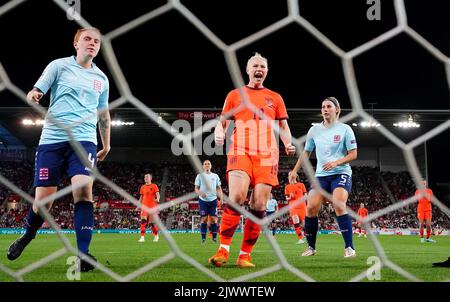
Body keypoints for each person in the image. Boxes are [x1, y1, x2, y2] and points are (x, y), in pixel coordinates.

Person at [7, 28, 110, 272]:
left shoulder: (102, 79)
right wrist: (34, 93)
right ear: (76, 43)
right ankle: (28, 235)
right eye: (87, 39)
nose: (93, 43)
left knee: (84, 190)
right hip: (52, 140)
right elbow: (38, 88)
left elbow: (103, 114)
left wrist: (107, 143)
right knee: (43, 202)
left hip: (84, 140)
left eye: (97, 41)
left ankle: (82, 254)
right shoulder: (59, 66)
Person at [209, 52, 296, 268]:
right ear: (248, 70)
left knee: (259, 205)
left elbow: (283, 127)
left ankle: (244, 255)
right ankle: (223, 250)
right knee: (237, 196)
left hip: (268, 154)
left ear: (266, 71)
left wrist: (288, 143)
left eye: (263, 66)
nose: (259, 69)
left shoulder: (275, 98)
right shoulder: (235, 95)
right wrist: (219, 132)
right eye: (255, 66)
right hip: (241, 149)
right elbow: (222, 122)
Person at [289, 97, 357, 258]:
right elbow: (306, 152)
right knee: (311, 207)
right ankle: (311, 247)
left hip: (341, 173)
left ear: (337, 109)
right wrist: (294, 170)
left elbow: (353, 154)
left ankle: (349, 247)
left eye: (328, 106)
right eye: (323, 107)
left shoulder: (345, 129)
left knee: (339, 204)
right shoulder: (314, 130)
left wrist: (336, 163)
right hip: (321, 175)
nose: (325, 109)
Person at [194, 160, 223, 243]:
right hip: (203, 200)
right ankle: (203, 239)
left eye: (208, 164)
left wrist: (221, 198)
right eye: (205, 164)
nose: (207, 165)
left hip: (213, 200)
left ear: (211, 166)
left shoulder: (215, 176)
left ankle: (214, 238)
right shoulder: (199, 176)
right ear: (203, 166)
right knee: (204, 219)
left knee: (214, 219)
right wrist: (200, 193)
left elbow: (218, 188)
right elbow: (196, 188)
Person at [285, 175, 307, 244]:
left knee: (305, 223)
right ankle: (300, 239)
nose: (290, 176)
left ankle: (306, 236)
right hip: (293, 206)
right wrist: (290, 197)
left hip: (302, 206)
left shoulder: (301, 184)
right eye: (289, 175)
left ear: (295, 176)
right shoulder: (287, 187)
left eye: (291, 174)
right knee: (296, 222)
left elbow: (306, 196)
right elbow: (287, 198)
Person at [138, 173, 160, 242]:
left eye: (147, 177)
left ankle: (156, 235)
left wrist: (158, 198)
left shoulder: (154, 186)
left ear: (151, 178)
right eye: (145, 177)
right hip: (144, 206)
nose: (146, 178)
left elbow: (158, 194)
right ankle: (142, 237)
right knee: (143, 221)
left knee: (151, 223)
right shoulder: (142, 187)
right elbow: (141, 198)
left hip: (152, 207)